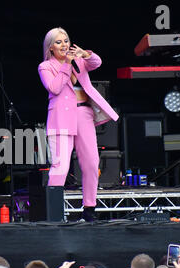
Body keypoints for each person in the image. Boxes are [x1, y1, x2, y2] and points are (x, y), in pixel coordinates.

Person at [38, 27, 119, 222]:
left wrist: (85, 53)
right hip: (60, 117)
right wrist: (66, 64)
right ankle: (54, 212)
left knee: (91, 162)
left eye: (66, 40)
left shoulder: (79, 60)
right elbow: (55, 88)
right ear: (50, 48)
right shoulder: (45, 66)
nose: (64, 45)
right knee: (61, 166)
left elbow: (97, 62)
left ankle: (89, 209)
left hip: (84, 113)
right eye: (58, 42)